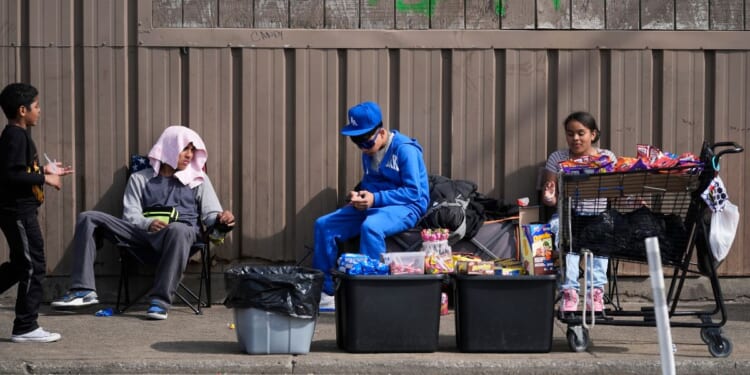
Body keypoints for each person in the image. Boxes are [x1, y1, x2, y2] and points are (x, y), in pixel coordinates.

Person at [51, 125, 235, 320]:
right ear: (170, 148)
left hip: (181, 239)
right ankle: (83, 290)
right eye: (185, 149)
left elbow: (211, 215)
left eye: (192, 150)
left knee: (179, 229)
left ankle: (160, 301)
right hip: (143, 237)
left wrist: (223, 219)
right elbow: (130, 215)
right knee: (88, 217)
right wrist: (147, 223)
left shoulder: (198, 179)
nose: (189, 155)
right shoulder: (140, 178)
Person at [313, 101, 429, 311]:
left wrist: (375, 199)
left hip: (408, 206)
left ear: (382, 132)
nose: (363, 148)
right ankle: (327, 292)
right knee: (324, 224)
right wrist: (358, 196)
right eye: (357, 143)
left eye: (366, 143)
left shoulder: (405, 150)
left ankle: (371, 292)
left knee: (371, 227)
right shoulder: (368, 152)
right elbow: (370, 184)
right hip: (376, 203)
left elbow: (415, 192)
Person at [0, 82, 74, 343]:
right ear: (22, 110)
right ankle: (25, 327)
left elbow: (19, 169)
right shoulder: (14, 136)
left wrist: (44, 170)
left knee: (21, 264)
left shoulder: (17, 136)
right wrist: (45, 179)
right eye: (36, 106)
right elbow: (10, 175)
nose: (39, 111)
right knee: (34, 265)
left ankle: (26, 325)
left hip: (19, 211)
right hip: (18, 212)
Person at [542, 111, 616, 313]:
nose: (575, 138)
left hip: (597, 216)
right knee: (566, 239)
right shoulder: (558, 158)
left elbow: (617, 191)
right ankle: (569, 292)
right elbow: (550, 196)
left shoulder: (606, 157)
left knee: (603, 236)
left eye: (581, 133)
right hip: (567, 216)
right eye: (570, 133)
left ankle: (596, 292)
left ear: (593, 134)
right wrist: (549, 197)